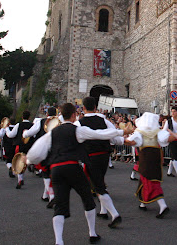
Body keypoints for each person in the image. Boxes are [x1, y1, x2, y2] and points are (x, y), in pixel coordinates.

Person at [27, 103, 129, 245]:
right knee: (88, 199)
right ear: (74, 115)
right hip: (72, 167)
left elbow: (34, 154)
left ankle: (59, 241)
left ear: (61, 116)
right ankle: (92, 234)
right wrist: (120, 132)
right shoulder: (78, 130)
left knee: (60, 205)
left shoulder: (51, 133)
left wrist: (29, 161)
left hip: (56, 170)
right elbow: (99, 134)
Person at [76, 97, 123, 228]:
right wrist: (122, 141)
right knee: (100, 181)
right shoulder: (103, 120)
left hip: (91, 157)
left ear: (83, 108)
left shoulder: (80, 123)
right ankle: (103, 211)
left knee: (98, 186)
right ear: (95, 107)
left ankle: (115, 214)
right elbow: (113, 136)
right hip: (105, 156)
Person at [124, 112, 170, 218]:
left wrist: (121, 139)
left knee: (149, 181)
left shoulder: (140, 132)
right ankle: (142, 203)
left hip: (146, 159)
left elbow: (131, 142)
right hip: (156, 158)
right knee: (146, 180)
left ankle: (163, 205)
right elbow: (167, 139)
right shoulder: (158, 132)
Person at [24, 108, 57, 204]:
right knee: (50, 172)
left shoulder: (42, 121)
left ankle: (52, 196)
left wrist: (25, 133)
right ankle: (45, 195)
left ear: (47, 113)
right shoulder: (59, 121)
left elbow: (30, 133)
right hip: (56, 149)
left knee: (45, 172)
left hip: (45, 149)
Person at [6, 110, 34, 189]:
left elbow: (11, 135)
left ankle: (20, 179)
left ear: (22, 117)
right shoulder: (32, 125)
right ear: (29, 117)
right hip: (30, 146)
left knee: (19, 162)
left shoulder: (18, 125)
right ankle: (31, 165)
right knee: (28, 159)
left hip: (20, 145)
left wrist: (6, 129)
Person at [163, 106, 177, 178]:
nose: (173, 113)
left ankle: (169, 172)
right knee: (174, 156)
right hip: (172, 140)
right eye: (172, 111)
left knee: (175, 156)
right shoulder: (169, 121)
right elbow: (164, 130)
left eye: (174, 111)